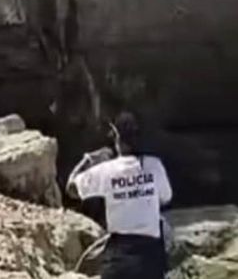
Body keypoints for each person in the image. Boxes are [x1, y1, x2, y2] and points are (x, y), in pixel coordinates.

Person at [66, 112, 172, 279]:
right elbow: (166, 197)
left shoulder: (108, 170)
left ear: (117, 138)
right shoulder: (154, 166)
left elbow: (71, 189)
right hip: (150, 260)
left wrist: (89, 160)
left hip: (119, 258)